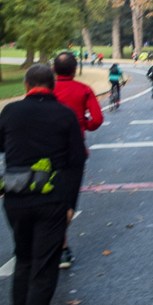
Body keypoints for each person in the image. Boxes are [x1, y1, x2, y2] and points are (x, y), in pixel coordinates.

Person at [0, 65, 86, 305]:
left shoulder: (10, 110)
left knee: (23, 260)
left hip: (16, 197)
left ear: (26, 85)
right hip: (53, 198)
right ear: (53, 87)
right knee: (44, 269)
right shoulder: (65, 115)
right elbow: (75, 161)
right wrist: (71, 203)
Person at [51, 52, 104, 269]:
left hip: (46, 150)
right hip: (74, 150)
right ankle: (62, 247)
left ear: (54, 70)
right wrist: (85, 125)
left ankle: (53, 242)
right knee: (68, 200)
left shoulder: (48, 90)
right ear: (74, 70)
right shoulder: (84, 89)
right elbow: (98, 119)